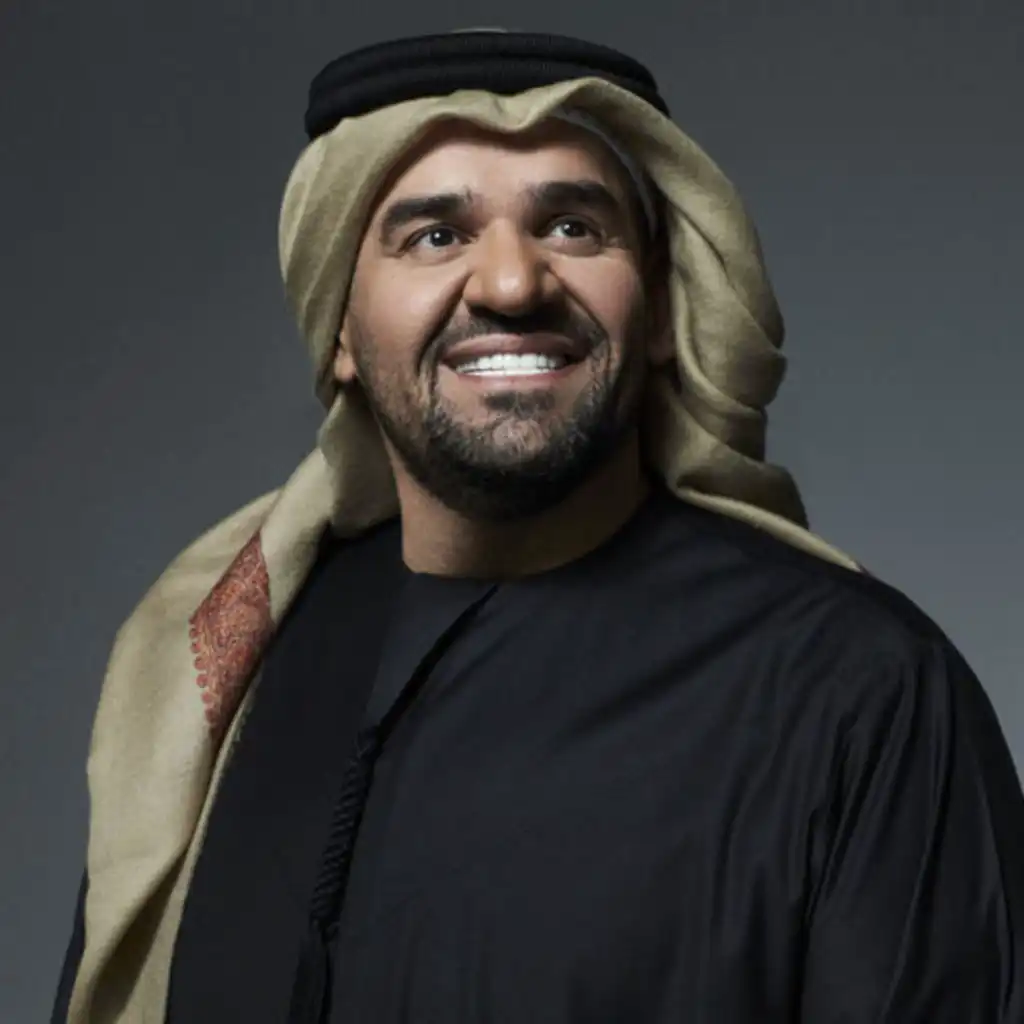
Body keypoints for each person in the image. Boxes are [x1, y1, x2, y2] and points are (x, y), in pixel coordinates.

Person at [52, 29, 1024, 1024]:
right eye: (435, 236)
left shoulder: (858, 693)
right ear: (337, 327)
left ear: (660, 310)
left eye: (572, 228)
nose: (512, 284)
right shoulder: (225, 678)